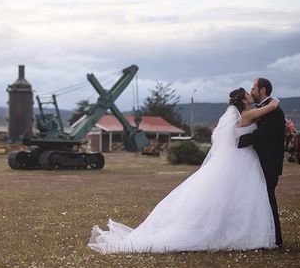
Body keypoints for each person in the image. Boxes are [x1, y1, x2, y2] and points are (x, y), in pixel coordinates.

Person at [88, 87, 279, 254]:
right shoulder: (245, 116)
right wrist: (274, 102)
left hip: (243, 159)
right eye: (247, 93)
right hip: (241, 160)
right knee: (239, 195)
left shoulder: (241, 115)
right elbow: (270, 108)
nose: (250, 94)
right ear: (244, 100)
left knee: (238, 196)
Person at [237, 78, 285, 248]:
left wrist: (236, 142)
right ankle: (266, 236)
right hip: (261, 162)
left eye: (254, 88)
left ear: (263, 90)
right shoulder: (267, 109)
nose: (252, 92)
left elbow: (261, 135)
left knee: (269, 200)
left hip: (269, 163)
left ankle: (275, 239)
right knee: (261, 200)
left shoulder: (273, 111)